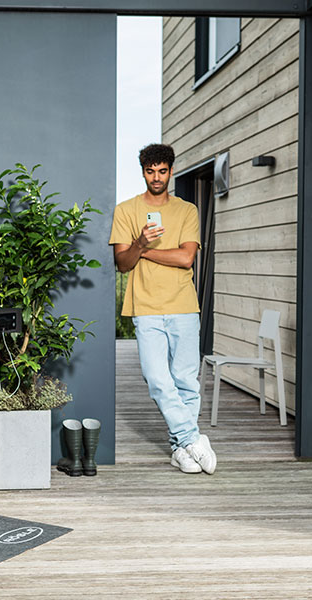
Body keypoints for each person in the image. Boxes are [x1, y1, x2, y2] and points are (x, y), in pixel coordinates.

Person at [109, 143, 216, 475]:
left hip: (183, 305)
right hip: (146, 307)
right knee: (157, 380)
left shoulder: (187, 211)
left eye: (162, 171)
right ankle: (193, 439)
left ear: (170, 171)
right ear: (143, 172)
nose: (156, 177)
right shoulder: (126, 211)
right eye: (150, 171)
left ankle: (180, 449)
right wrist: (140, 242)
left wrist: (144, 251)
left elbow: (186, 258)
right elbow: (122, 264)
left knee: (186, 381)